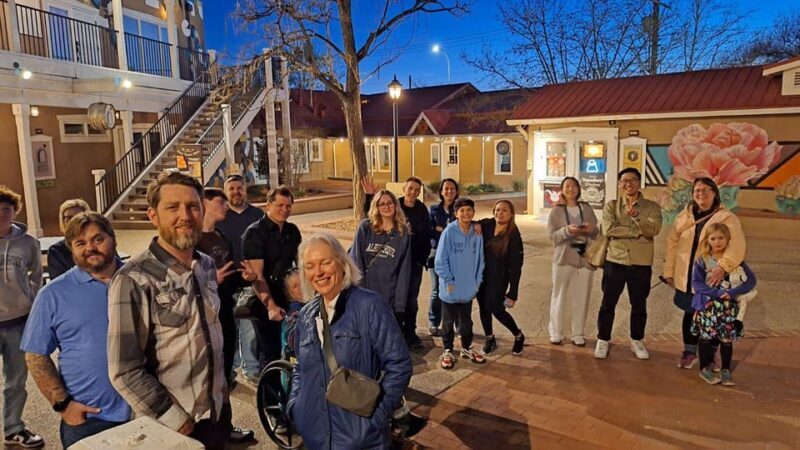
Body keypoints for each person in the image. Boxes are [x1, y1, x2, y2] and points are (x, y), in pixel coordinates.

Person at [108, 172, 230, 449]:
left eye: (193, 206)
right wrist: (175, 419)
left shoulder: (206, 265)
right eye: (172, 208)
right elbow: (124, 370)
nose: (185, 215)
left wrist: (221, 392)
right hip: (171, 426)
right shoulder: (134, 279)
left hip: (216, 413)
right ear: (153, 216)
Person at [288, 232, 412, 449]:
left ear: (341, 262)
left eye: (325, 262)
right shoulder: (306, 316)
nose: (318, 272)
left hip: (361, 440)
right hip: (315, 437)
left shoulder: (369, 305)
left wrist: (375, 420)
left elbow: (399, 365)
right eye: (309, 266)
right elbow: (300, 367)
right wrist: (296, 407)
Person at [22, 212, 130, 448]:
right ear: (71, 249)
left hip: (146, 409)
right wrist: (63, 405)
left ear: (113, 239)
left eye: (97, 239)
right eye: (80, 243)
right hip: (89, 418)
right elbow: (35, 355)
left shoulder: (139, 279)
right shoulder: (53, 294)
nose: (90, 248)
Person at [662, 177, 746, 369]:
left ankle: (709, 355)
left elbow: (737, 246)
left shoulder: (727, 218)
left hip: (711, 278)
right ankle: (690, 351)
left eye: (706, 190)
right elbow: (671, 243)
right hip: (686, 276)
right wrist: (668, 270)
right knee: (690, 314)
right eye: (697, 190)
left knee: (713, 317)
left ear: (714, 193)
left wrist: (722, 267)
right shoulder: (684, 216)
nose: (701, 194)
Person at [196, 188, 256, 443]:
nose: (226, 206)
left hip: (225, 312)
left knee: (224, 373)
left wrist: (244, 277)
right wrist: (212, 279)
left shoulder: (219, 237)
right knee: (206, 375)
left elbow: (228, 274)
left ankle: (226, 426)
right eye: (220, 202)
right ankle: (205, 432)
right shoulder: (193, 240)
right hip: (203, 320)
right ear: (205, 204)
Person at [241, 185, 302, 415]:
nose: (284, 210)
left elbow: (299, 266)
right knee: (272, 354)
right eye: (279, 205)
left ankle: (293, 398)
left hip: (289, 299)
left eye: (288, 206)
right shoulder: (255, 233)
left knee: (293, 352)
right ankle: (272, 406)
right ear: (268, 205)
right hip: (264, 302)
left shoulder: (292, 231)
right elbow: (257, 277)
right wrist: (271, 306)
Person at [595, 168, 663, 360]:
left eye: (633, 180)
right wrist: (636, 232)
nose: (628, 184)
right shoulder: (611, 206)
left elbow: (654, 229)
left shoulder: (652, 207)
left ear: (639, 183)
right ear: (619, 184)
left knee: (639, 304)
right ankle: (603, 339)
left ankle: (637, 340)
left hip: (641, 263)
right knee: (608, 303)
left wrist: (637, 218)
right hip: (615, 260)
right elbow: (609, 229)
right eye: (624, 181)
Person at [362, 176, 432, 348]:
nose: (413, 192)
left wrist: (422, 260)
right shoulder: (395, 205)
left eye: (417, 189)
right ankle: (393, 333)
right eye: (410, 188)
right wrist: (370, 196)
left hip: (413, 263)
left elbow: (425, 237)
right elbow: (373, 216)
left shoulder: (422, 210)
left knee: (409, 301)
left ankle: (409, 332)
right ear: (404, 189)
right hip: (390, 264)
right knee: (390, 301)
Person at [0, 186, 44, 448]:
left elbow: (37, 277)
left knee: (16, 380)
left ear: (15, 211)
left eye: (6, 210)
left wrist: (32, 306)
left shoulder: (28, 243)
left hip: (18, 322)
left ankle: (14, 428)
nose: (1, 215)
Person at [691, 223, 756, 386]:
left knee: (726, 339)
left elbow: (751, 280)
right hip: (708, 307)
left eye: (721, 238)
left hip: (728, 309)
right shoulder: (702, 260)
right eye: (713, 238)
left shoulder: (734, 261)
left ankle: (725, 369)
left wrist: (733, 292)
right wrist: (717, 293)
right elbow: (696, 283)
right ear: (708, 240)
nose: (717, 242)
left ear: (728, 240)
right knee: (706, 337)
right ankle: (704, 367)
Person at [217, 174, 265, 385]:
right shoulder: (221, 216)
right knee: (229, 327)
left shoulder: (257, 214)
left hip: (250, 280)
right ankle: (231, 367)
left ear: (245, 190)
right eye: (232, 189)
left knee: (248, 327)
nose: (236, 192)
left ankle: (251, 368)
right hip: (225, 281)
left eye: (240, 188)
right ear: (226, 192)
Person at [547, 177, 599, 347]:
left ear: (578, 189)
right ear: (562, 189)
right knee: (559, 295)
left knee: (581, 297)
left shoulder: (586, 208)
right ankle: (556, 331)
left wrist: (591, 230)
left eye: (574, 185)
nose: (571, 189)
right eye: (567, 186)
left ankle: (578, 332)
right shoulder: (556, 212)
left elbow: (596, 232)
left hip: (585, 259)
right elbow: (553, 237)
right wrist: (567, 230)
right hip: (563, 258)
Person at [435, 198, 486, 369]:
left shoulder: (477, 233)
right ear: (456, 214)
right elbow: (440, 259)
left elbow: (480, 259)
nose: (466, 213)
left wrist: (477, 281)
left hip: (468, 287)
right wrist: (448, 280)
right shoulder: (449, 232)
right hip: (450, 287)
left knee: (466, 322)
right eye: (462, 210)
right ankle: (448, 350)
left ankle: (466, 348)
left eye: (469, 210)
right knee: (448, 321)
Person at [350, 189, 412, 328]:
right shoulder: (365, 228)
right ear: (376, 207)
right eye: (382, 204)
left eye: (390, 203)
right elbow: (356, 261)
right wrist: (360, 293)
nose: (386, 206)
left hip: (388, 297)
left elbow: (404, 270)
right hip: (365, 294)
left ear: (396, 205)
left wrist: (399, 304)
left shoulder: (402, 233)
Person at [477, 200, 526, 355]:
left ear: (511, 214)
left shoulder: (513, 235)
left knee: (496, 309)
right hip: (481, 276)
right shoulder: (487, 224)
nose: (500, 213)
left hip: (499, 279)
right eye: (497, 210)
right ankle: (489, 338)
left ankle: (518, 335)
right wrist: (475, 225)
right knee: (483, 308)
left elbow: (516, 267)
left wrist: (513, 293)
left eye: (504, 210)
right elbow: (467, 222)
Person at [428, 178, 459, 337]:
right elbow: (430, 230)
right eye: (446, 189)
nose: (449, 192)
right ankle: (434, 322)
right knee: (436, 290)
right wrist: (439, 230)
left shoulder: (460, 209)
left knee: (455, 290)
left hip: (456, 256)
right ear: (441, 191)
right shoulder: (433, 210)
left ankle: (457, 324)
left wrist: (442, 229)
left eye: (452, 189)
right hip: (436, 253)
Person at [47, 198, 91, 280]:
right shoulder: (57, 250)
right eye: (68, 218)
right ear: (63, 220)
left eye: (78, 216)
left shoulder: (100, 244)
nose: (73, 221)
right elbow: (58, 282)